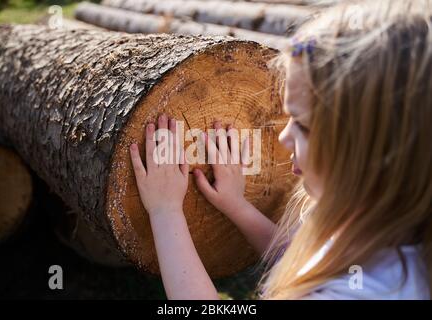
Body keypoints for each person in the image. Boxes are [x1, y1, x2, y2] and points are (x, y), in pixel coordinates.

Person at [128, 0, 432, 299]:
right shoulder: (382, 236)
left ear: (371, 154)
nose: (285, 137)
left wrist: (165, 211)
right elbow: (302, 261)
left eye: (302, 125)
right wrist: (237, 205)